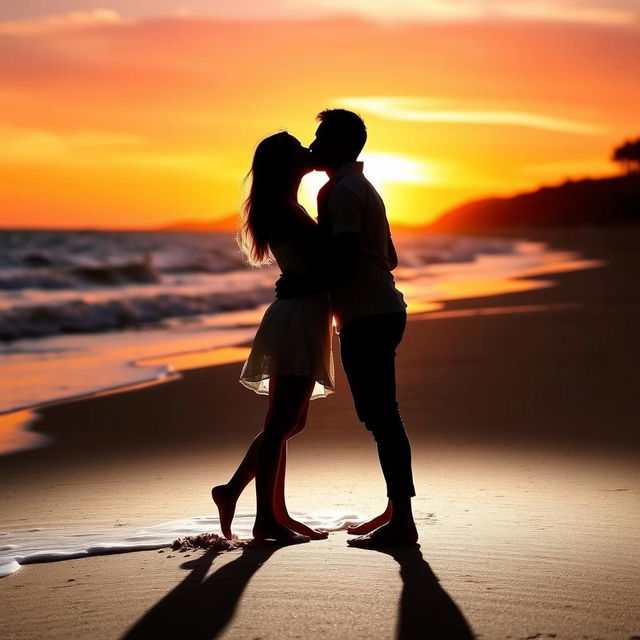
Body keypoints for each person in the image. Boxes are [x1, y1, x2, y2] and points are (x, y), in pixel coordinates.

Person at [278, 109, 418, 548]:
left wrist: (300, 281)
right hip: (383, 308)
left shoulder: (339, 192)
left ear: (341, 144)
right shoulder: (362, 188)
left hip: (368, 315)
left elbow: (342, 254)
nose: (313, 145)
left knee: (382, 418)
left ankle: (403, 522)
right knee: (383, 417)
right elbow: (388, 257)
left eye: (320, 138)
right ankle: (397, 512)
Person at [212, 131, 334, 544]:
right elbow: (314, 268)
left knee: (290, 422)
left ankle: (257, 504)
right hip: (297, 319)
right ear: (285, 164)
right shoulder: (282, 209)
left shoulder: (287, 206)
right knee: (282, 421)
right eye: (299, 147)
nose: (308, 150)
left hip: (304, 316)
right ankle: (265, 519)